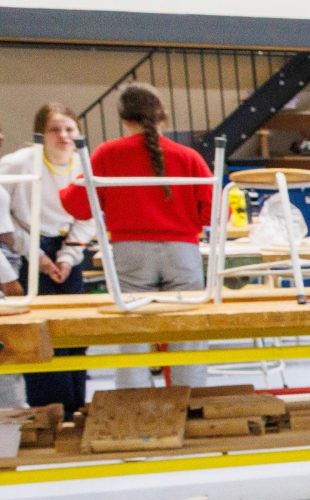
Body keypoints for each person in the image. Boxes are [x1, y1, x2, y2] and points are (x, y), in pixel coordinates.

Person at [60, 83, 215, 388]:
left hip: (130, 251)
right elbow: (213, 213)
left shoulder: (108, 154)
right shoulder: (188, 156)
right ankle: (193, 404)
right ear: (163, 116)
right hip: (182, 251)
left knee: (133, 336)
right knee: (188, 335)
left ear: (123, 118)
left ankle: (134, 408)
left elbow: (78, 205)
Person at [0, 102, 98, 413]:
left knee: (74, 330)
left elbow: (90, 215)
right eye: (54, 129)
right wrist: (37, 254)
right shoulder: (19, 164)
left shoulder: (83, 164)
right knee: (40, 332)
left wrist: (69, 255)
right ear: (41, 134)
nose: (63, 135)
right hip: (26, 248)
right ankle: (49, 410)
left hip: (68, 246)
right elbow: (5, 218)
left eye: (69, 129)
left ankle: (76, 405)